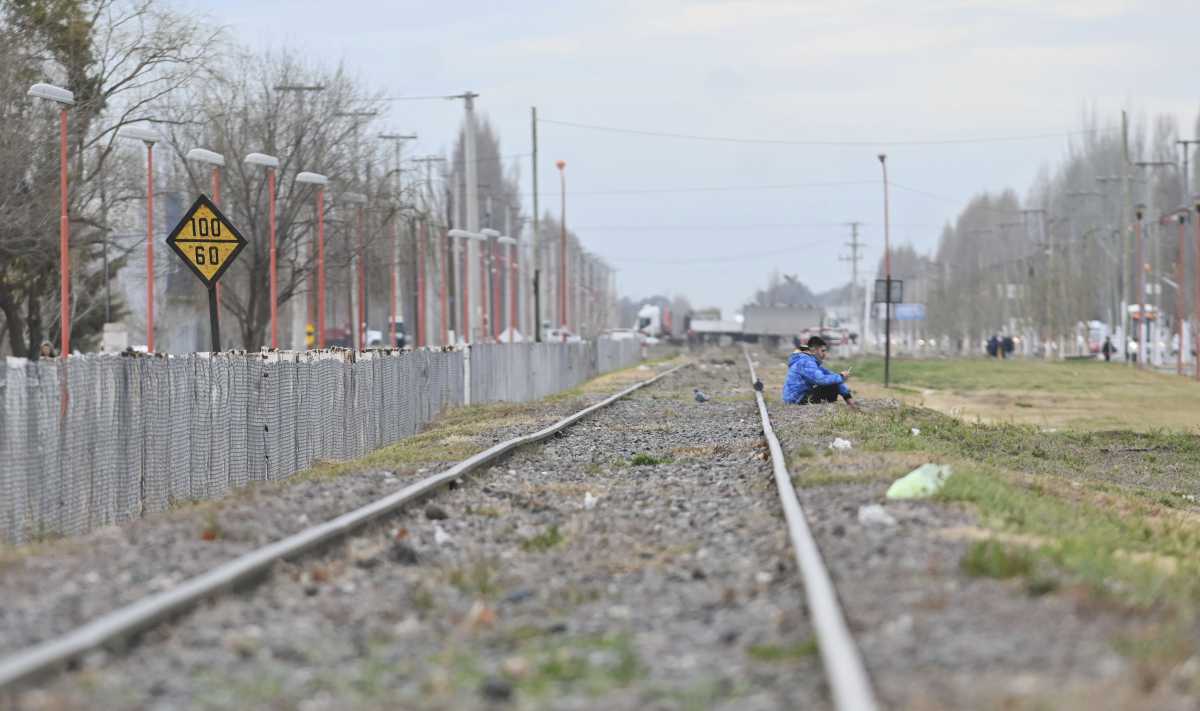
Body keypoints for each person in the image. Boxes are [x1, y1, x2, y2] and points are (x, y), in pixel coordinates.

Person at [782, 336, 857, 408]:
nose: (825, 354)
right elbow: (820, 379)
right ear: (814, 350)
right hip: (796, 399)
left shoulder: (812, 362)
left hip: (801, 395)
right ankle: (844, 405)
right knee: (832, 384)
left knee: (834, 380)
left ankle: (851, 404)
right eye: (823, 351)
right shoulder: (805, 361)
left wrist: (842, 382)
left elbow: (831, 376)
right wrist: (840, 376)